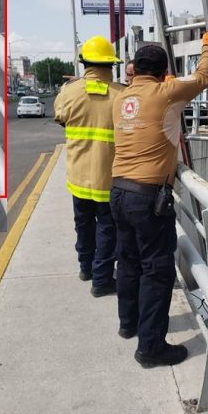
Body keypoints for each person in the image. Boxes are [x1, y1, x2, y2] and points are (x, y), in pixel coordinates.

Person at [110, 21, 208, 368]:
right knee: (157, 270)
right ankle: (151, 348)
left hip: (118, 191)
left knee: (128, 261)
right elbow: (203, 77)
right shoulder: (166, 93)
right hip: (148, 198)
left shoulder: (123, 97)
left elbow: (149, 105)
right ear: (163, 73)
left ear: (135, 70)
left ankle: (128, 324)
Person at [54, 36, 124, 297]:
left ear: (84, 63)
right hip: (109, 178)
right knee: (108, 228)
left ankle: (86, 268)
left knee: (83, 223)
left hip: (78, 176)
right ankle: (102, 279)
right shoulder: (122, 94)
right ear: (111, 65)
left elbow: (61, 119)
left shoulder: (67, 92)